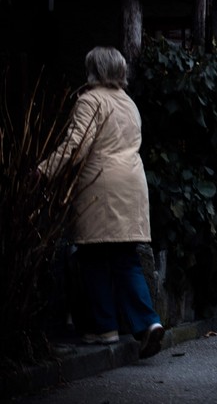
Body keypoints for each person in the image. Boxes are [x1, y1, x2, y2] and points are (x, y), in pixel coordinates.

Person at [38, 46, 165, 360]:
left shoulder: (90, 100)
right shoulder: (129, 104)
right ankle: (148, 323)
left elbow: (75, 146)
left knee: (92, 256)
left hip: (101, 186)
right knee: (126, 258)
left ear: (93, 71)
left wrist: (41, 172)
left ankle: (105, 327)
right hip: (133, 185)